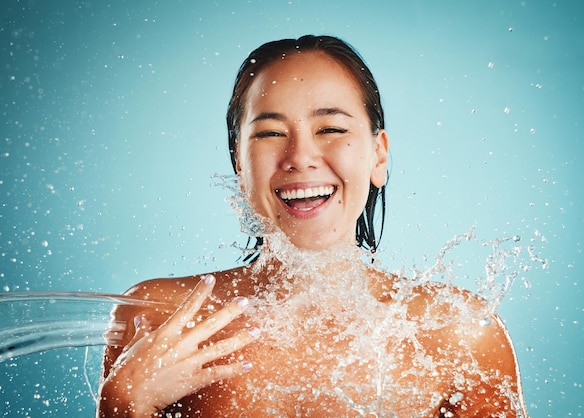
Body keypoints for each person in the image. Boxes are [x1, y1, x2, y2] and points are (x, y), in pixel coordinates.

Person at [97, 35, 528, 417]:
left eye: (331, 128)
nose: (300, 156)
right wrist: (122, 408)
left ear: (378, 156)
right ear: (238, 163)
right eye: (269, 134)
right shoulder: (160, 316)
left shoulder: (458, 332)